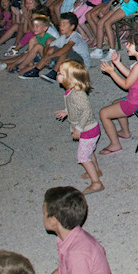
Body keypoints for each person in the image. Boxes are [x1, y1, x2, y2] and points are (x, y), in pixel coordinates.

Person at [35, 187, 111, 274]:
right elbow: (62, 271)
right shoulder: (73, 237)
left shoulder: (77, 254)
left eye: (44, 214)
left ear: (53, 221)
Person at [97, 31, 138, 155]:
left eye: (130, 44)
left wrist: (112, 72)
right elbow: (131, 76)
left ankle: (115, 144)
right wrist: (117, 63)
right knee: (116, 103)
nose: (126, 46)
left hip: (136, 102)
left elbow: (125, 85)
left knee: (103, 113)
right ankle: (125, 132)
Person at [53, 60, 103, 194]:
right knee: (89, 152)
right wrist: (66, 111)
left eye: (60, 73)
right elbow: (75, 107)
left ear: (70, 79)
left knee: (83, 157)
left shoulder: (77, 94)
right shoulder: (70, 91)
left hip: (88, 130)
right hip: (89, 129)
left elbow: (86, 111)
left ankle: (96, 183)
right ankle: (96, 170)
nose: (57, 74)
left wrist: (78, 129)